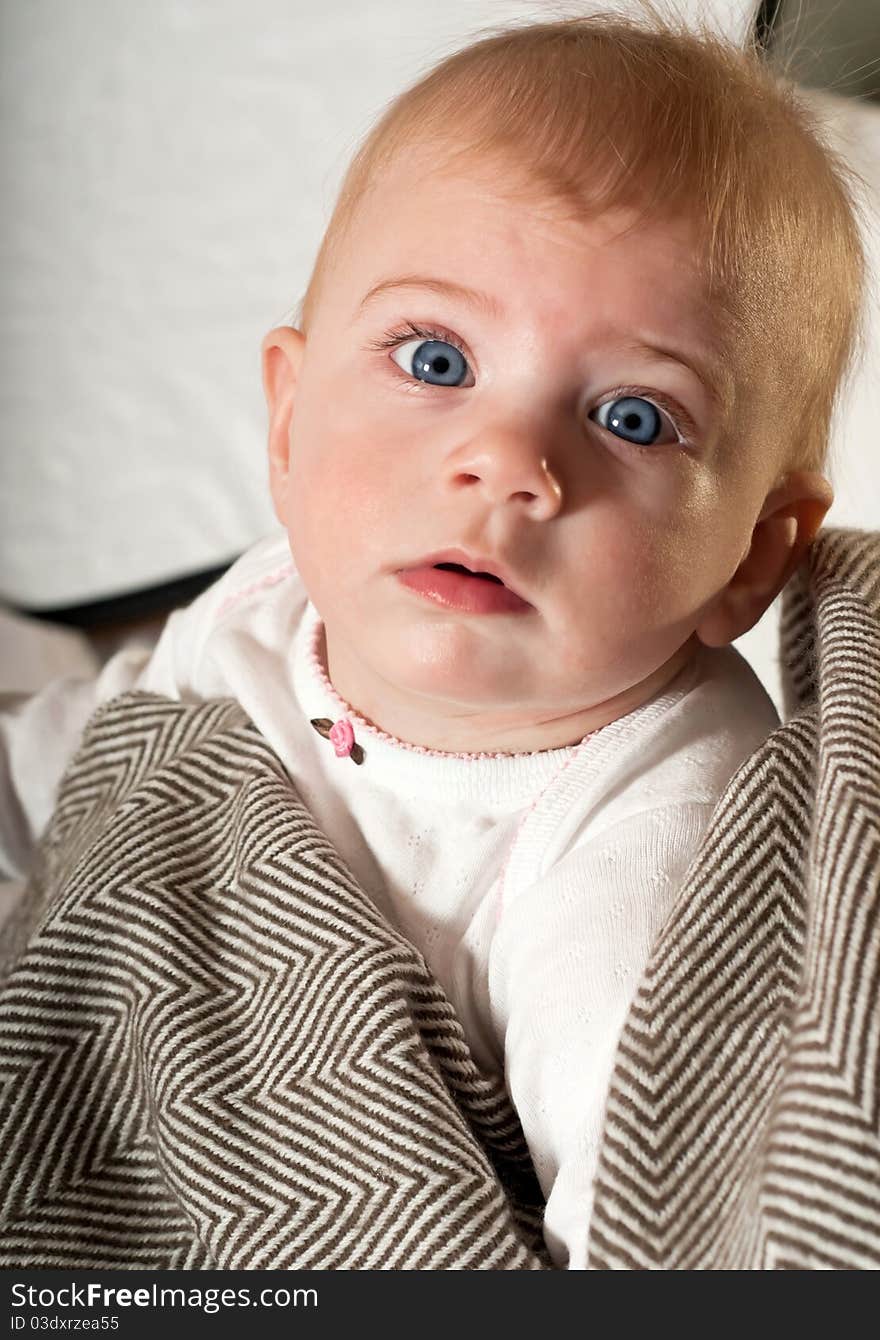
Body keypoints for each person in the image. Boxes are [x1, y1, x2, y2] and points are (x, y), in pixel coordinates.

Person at [0, 6, 868, 1267]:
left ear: (753, 556)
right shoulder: (271, 601)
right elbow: (90, 768)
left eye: (632, 415)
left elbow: (647, 1193)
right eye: (436, 356)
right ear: (288, 424)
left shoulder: (650, 821)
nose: (507, 461)